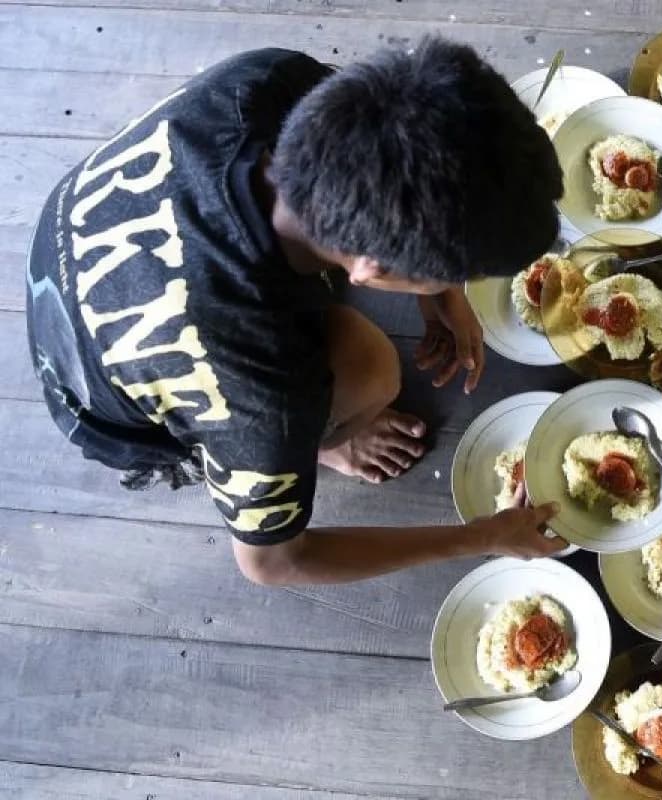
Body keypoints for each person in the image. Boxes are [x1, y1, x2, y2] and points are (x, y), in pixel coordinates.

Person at [25, 39, 569, 586]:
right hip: (101, 391)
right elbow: (274, 563)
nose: (457, 285)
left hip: (88, 227)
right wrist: (484, 535)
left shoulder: (267, 78)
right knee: (370, 369)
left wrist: (436, 284)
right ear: (372, 267)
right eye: (457, 275)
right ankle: (326, 445)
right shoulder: (256, 391)